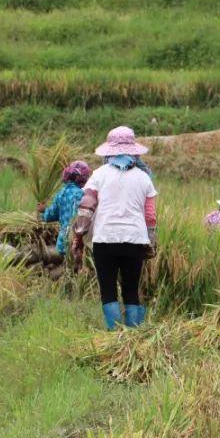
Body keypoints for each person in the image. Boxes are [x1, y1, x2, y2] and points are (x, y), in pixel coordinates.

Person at [71, 126, 157, 330]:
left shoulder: (98, 175)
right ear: (133, 151)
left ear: (109, 151)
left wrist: (78, 237)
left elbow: (86, 209)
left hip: (105, 240)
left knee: (108, 289)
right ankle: (133, 336)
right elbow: (150, 217)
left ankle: (114, 335)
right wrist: (150, 244)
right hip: (135, 240)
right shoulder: (144, 178)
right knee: (131, 289)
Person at [39, 160, 91, 259]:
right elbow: (82, 219)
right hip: (75, 241)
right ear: (82, 179)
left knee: (68, 266)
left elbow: (51, 215)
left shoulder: (61, 193)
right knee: (77, 266)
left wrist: (43, 211)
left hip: (62, 241)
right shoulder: (80, 194)